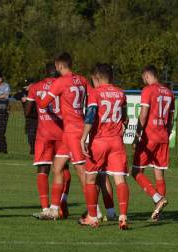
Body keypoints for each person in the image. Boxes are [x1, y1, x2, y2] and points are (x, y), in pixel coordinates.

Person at [37, 52, 92, 220]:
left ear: (59, 65)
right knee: (57, 167)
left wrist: (36, 97)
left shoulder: (61, 81)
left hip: (73, 131)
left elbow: (44, 102)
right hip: (72, 130)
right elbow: (92, 100)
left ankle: (93, 210)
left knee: (81, 171)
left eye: (56, 66)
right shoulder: (82, 80)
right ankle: (54, 209)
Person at [80, 63, 130, 229]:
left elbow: (90, 116)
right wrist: (122, 129)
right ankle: (122, 216)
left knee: (91, 178)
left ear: (97, 78)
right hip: (116, 141)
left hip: (99, 141)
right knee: (119, 179)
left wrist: (84, 137)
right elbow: (125, 118)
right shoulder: (120, 93)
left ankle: (93, 217)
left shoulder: (95, 93)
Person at [25, 63, 72, 219]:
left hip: (44, 134)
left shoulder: (36, 87)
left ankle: (46, 209)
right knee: (64, 169)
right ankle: (62, 201)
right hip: (62, 133)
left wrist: (39, 114)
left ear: (45, 73)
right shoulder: (64, 84)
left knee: (43, 170)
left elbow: (28, 112)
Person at [132, 65, 175, 221]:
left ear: (146, 76)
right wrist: (166, 134)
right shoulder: (170, 93)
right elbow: (170, 121)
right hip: (163, 137)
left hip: (149, 137)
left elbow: (143, 115)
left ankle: (157, 198)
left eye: (143, 78)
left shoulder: (148, 90)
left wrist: (137, 135)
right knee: (159, 174)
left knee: (136, 171)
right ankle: (158, 212)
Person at [13, 79, 38, 155]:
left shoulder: (37, 91)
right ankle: (32, 150)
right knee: (30, 135)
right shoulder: (24, 92)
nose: (25, 87)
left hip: (38, 117)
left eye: (27, 85)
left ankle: (37, 150)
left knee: (37, 135)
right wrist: (21, 97)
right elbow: (15, 95)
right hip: (29, 117)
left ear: (32, 84)